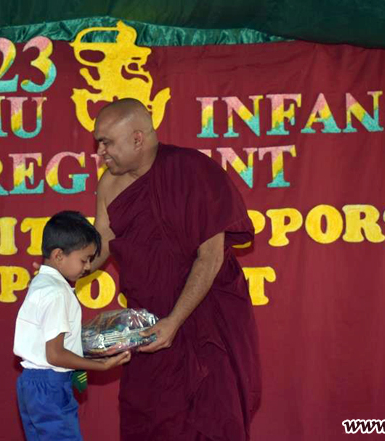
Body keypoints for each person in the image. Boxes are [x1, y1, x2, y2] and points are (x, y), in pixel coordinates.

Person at [90, 98, 262, 440]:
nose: (100, 151)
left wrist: (174, 321)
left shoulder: (195, 171)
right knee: (152, 421)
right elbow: (99, 247)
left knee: (214, 420)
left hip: (206, 321)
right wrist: (60, 268)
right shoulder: (110, 184)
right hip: (150, 325)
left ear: (137, 139)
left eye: (106, 142)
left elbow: (210, 258)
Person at [13, 211, 131, 441]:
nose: (88, 267)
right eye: (84, 259)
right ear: (59, 256)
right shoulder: (57, 293)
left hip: (31, 383)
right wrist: (102, 365)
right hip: (51, 385)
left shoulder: (41, 281)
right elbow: (55, 354)